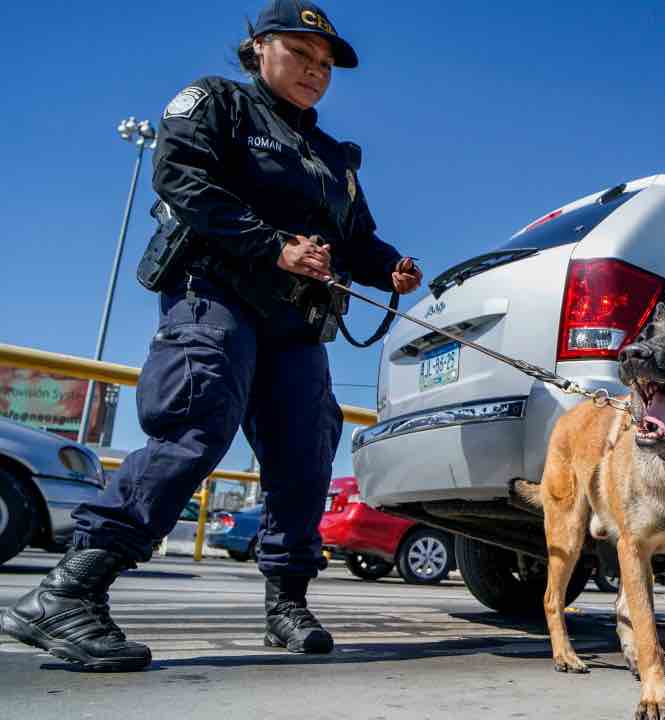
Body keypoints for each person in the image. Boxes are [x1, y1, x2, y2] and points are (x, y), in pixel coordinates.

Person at [0, 0, 422, 671]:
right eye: (299, 54)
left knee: (306, 454)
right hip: (216, 295)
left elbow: (358, 238)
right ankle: (70, 592)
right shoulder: (217, 103)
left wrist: (389, 267)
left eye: (324, 64)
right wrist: (275, 246)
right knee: (195, 427)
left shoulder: (332, 155)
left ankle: (287, 604)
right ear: (257, 48)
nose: (315, 71)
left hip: (297, 322)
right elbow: (181, 180)